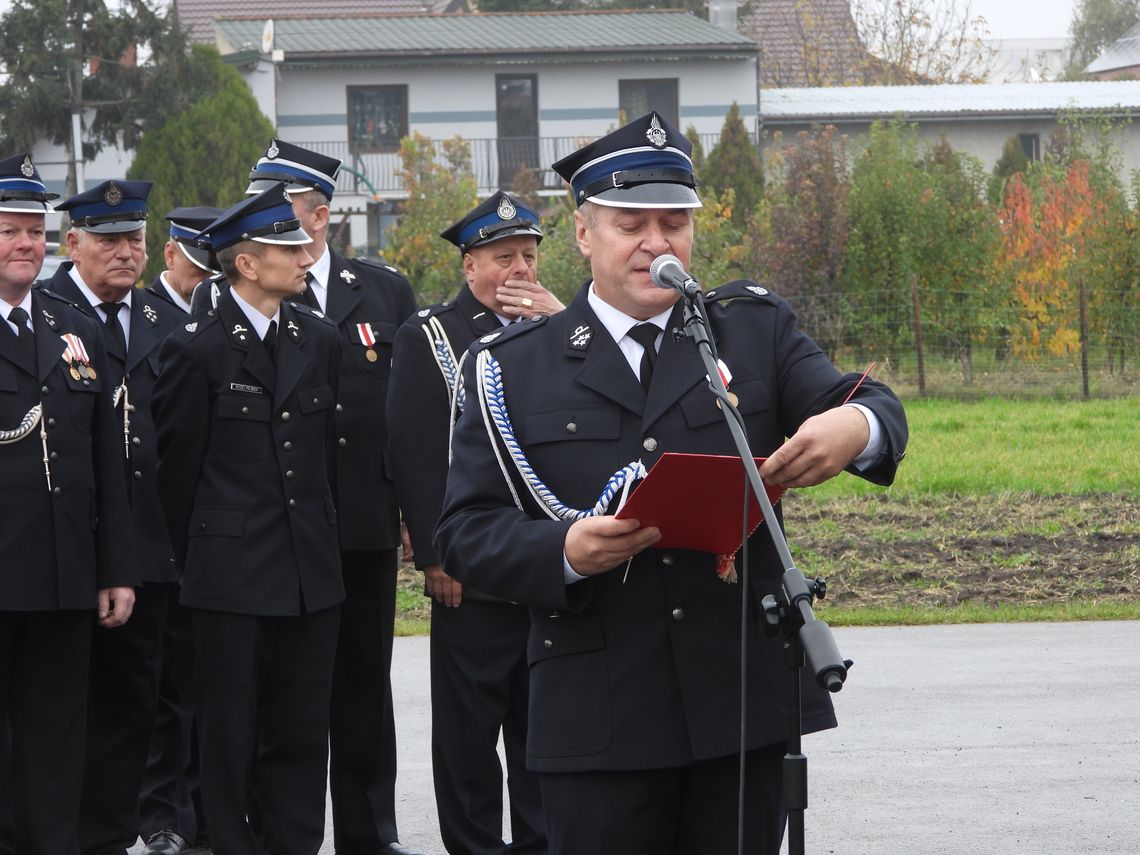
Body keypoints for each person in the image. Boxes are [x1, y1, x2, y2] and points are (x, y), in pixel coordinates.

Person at [434, 113, 909, 855]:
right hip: (600, 720)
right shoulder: (512, 366)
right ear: (585, 234)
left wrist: (858, 429)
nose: (658, 242)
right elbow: (464, 534)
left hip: (739, 708)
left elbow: (870, 403)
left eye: (674, 222)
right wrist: (563, 550)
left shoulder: (750, 329)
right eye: (632, 223)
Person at [152, 183, 344, 855]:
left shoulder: (320, 339)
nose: (303, 255)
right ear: (246, 264)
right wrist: (188, 571)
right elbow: (176, 476)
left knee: (299, 731)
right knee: (229, 734)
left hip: (308, 573)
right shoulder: (196, 350)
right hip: (229, 578)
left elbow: (328, 461)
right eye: (285, 247)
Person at [245, 139, 420, 855]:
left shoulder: (381, 291)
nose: (268, 223)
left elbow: (408, 414)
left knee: (363, 689)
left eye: (282, 209)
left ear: (319, 217)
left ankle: (369, 835)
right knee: (284, 694)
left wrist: (417, 515)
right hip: (280, 531)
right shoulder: (244, 287)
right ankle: (284, 836)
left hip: (364, 525)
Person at [388, 191, 561, 855]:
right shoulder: (431, 335)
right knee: (467, 730)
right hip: (473, 561)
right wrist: (435, 554)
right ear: (469, 266)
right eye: (501, 257)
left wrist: (559, 321)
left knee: (540, 722)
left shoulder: (556, 327)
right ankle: (475, 845)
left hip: (543, 558)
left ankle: (541, 842)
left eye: (528, 255)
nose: (518, 269)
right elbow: (413, 448)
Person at [44, 180, 186, 855]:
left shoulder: (166, 321)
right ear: (73, 244)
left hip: (150, 543)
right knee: (65, 703)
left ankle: (110, 834)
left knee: (136, 701)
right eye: (108, 240)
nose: (124, 253)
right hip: (69, 547)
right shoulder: (45, 314)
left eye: (133, 239)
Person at [0, 153, 135, 852]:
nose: (27, 244)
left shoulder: (73, 329)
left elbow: (107, 461)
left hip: (63, 574)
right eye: (11, 230)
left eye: (35, 230)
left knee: (58, 728)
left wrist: (116, 567)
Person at [138, 206, 222, 855]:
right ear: (170, 256)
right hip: (154, 522)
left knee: (202, 679)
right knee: (160, 680)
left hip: (212, 530)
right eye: (196, 265)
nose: (203, 278)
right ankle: (159, 808)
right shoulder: (144, 320)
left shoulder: (218, 321)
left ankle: (199, 806)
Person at [146, 206, 223, 314]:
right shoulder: (140, 312)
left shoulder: (227, 312)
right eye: (201, 268)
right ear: (170, 256)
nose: (211, 279)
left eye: (221, 270)